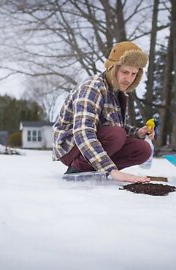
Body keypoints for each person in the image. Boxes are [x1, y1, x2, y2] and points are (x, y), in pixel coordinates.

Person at [52, 41, 154, 183]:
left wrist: (138, 133)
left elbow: (117, 126)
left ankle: (96, 169)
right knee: (116, 135)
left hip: (95, 143)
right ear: (112, 68)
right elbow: (83, 132)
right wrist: (112, 171)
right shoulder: (92, 88)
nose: (129, 79)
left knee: (143, 149)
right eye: (125, 72)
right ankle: (77, 169)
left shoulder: (119, 92)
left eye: (134, 74)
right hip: (72, 147)